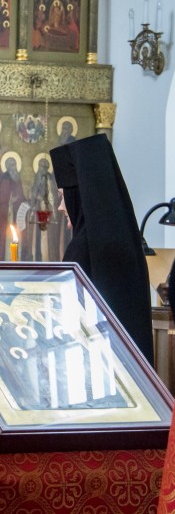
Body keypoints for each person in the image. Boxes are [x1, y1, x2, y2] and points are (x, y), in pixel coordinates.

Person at [52, 134, 153, 362]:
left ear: (80, 196)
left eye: (63, 197)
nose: (61, 207)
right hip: (127, 366)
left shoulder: (82, 249)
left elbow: (67, 316)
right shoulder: (125, 238)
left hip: (92, 363)